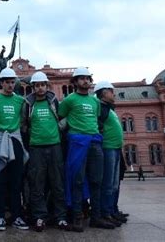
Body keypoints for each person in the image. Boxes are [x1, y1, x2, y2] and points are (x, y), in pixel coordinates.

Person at [59, 67, 114, 232]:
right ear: (75, 82)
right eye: (81, 78)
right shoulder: (69, 100)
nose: (85, 81)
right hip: (77, 143)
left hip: (95, 143)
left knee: (97, 180)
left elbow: (96, 119)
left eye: (87, 78)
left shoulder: (95, 102)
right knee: (77, 180)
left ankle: (96, 217)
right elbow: (62, 117)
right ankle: (77, 217)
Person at [21, 71, 68, 232]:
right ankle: (40, 217)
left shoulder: (53, 99)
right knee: (37, 184)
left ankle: (61, 217)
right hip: (36, 147)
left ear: (46, 86)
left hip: (55, 145)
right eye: (37, 85)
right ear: (33, 87)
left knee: (57, 183)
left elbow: (62, 118)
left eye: (42, 85)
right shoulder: (28, 103)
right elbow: (24, 125)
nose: (40, 88)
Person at [0, 68, 29, 231]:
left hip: (15, 140)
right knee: (0, 179)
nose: (10, 85)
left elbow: (25, 120)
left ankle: (17, 216)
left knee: (16, 180)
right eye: (7, 82)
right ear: (1, 83)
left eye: (13, 82)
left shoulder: (20, 101)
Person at [94, 81, 125, 227]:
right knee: (107, 183)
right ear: (103, 93)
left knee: (113, 183)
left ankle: (112, 211)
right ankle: (105, 213)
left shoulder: (109, 108)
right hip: (107, 148)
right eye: (111, 91)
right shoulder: (100, 108)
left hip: (116, 149)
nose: (114, 93)